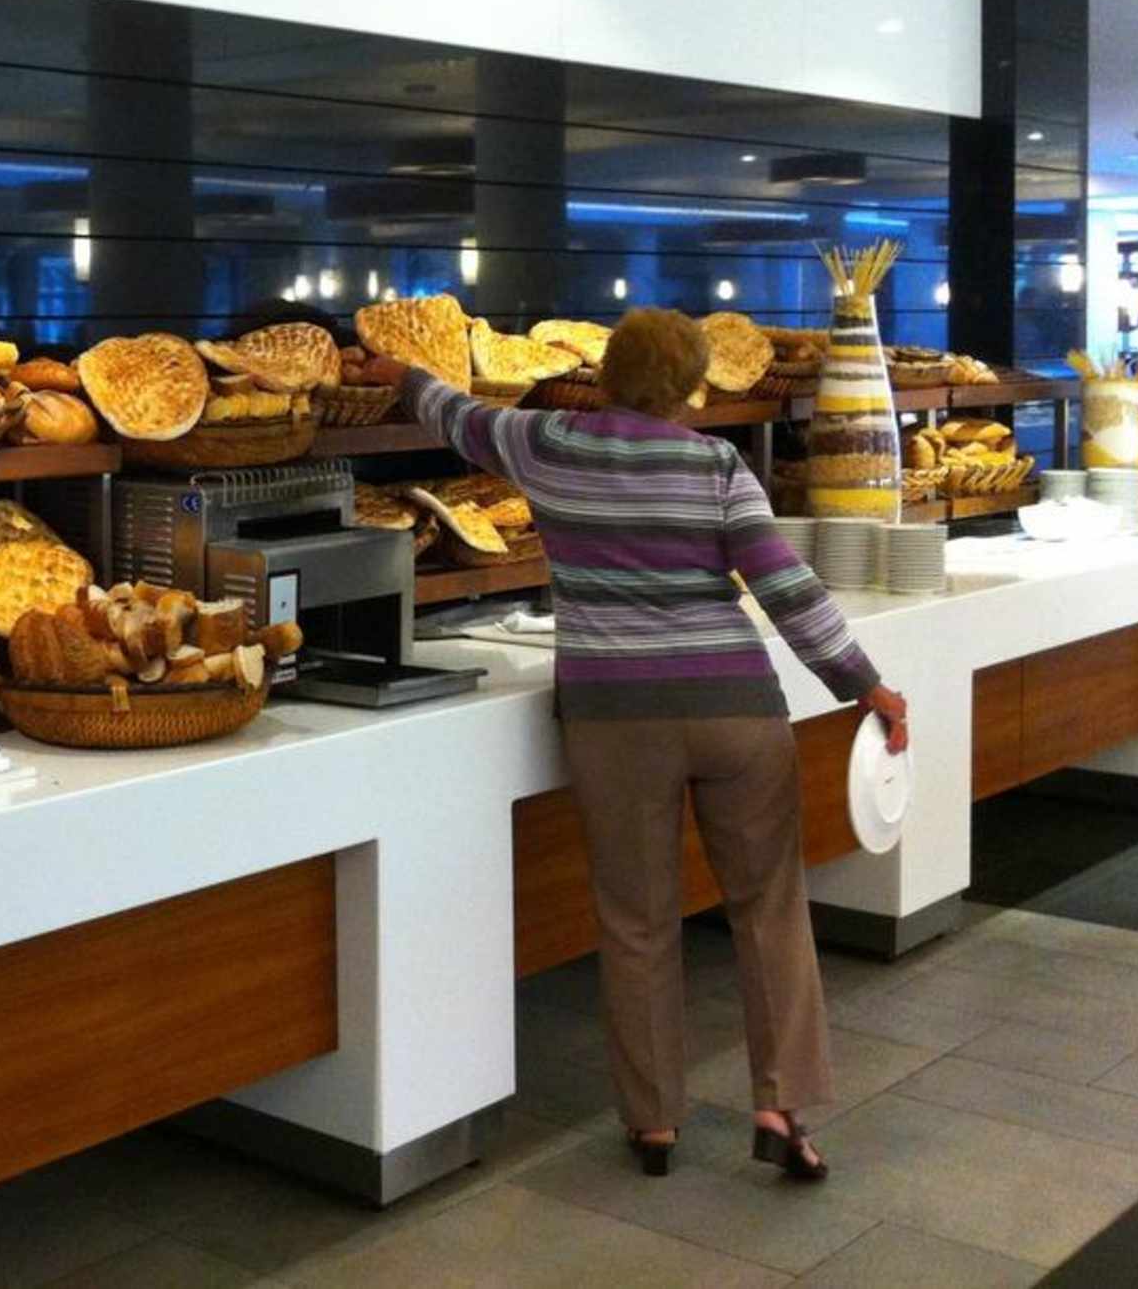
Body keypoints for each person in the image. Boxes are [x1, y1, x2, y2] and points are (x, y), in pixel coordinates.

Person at [365, 309, 907, 1181]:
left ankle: (653, 1122)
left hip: (613, 718)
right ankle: (781, 1105)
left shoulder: (546, 442)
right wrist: (861, 681)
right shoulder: (716, 464)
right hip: (734, 709)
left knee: (636, 918)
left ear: (605, 375)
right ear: (690, 389)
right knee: (768, 906)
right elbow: (784, 585)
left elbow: (456, 417)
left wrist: (399, 374)